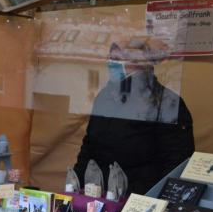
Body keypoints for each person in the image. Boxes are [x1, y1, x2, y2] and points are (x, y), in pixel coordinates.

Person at [74, 37, 195, 196]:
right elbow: (88, 146)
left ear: (140, 63)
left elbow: (176, 165)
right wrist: (76, 184)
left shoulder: (167, 103)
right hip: (99, 195)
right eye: (110, 58)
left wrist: (141, 199)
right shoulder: (105, 96)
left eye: (117, 59)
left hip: (138, 199)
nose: (111, 64)